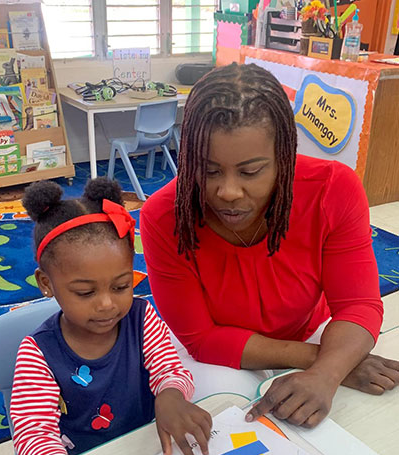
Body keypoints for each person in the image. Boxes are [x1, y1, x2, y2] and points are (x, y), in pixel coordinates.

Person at [140, 62, 399, 430]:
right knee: (222, 429)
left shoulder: (333, 189)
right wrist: (326, 364)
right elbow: (201, 337)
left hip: (312, 330)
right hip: (219, 352)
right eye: (209, 170)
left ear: (284, 158)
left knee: (357, 426)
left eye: (250, 172)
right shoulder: (164, 216)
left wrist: (327, 373)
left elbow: (357, 304)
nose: (228, 192)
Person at [11, 178, 212, 455]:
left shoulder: (140, 316)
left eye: (121, 286)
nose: (107, 304)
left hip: (149, 452)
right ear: (46, 283)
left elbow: (169, 367)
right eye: (85, 292)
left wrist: (169, 395)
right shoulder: (37, 351)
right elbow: (33, 435)